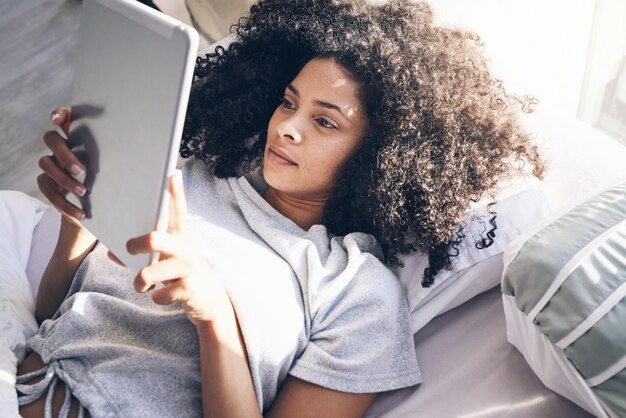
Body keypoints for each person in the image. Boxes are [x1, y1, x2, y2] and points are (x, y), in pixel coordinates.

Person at [16, 0, 545, 417]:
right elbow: (52, 318)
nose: (287, 127)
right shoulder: (193, 179)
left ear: (380, 158)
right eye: (289, 102)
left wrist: (214, 314)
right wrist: (76, 222)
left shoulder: (358, 294)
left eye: (325, 122)